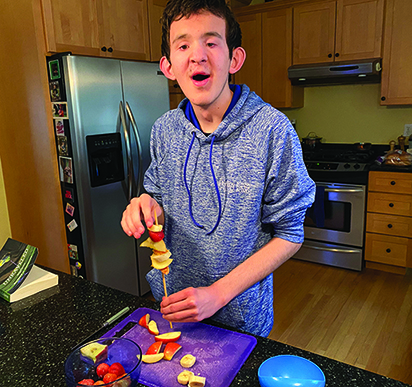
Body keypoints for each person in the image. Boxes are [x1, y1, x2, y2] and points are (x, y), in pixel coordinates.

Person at [121, 0, 315, 337]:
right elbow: (160, 202)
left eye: (211, 42)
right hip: (173, 306)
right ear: (168, 66)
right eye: (183, 45)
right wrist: (147, 207)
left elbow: (290, 235)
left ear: (234, 59)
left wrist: (218, 295)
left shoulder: (272, 130)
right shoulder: (164, 129)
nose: (197, 55)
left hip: (241, 321)